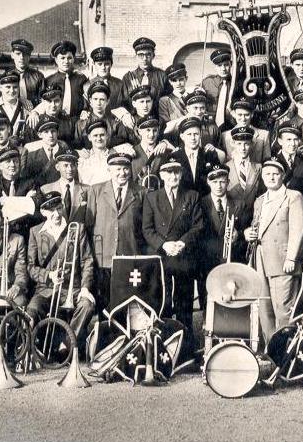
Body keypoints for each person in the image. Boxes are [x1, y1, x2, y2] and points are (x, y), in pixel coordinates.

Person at [141, 158, 205, 358]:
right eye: (168, 172)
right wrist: (164, 245)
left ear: (181, 174)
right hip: (161, 259)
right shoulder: (152, 197)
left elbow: (198, 226)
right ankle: (164, 353)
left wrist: (182, 243)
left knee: (184, 306)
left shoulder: (192, 196)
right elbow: (147, 229)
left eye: (176, 172)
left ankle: (186, 353)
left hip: (184, 259)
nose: (173, 176)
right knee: (163, 305)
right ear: (161, 175)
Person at [244, 159, 303, 339]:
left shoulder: (293, 197)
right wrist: (248, 232)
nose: (271, 177)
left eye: (275, 174)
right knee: (265, 308)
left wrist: (292, 258)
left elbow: (298, 229)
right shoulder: (260, 200)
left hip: (282, 261)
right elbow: (257, 227)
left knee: (284, 310)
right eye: (267, 174)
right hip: (260, 260)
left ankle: (287, 354)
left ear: (283, 176)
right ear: (262, 177)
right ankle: (272, 353)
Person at [26, 191, 95, 344]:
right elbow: (30, 267)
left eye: (58, 208)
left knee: (87, 305)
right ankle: (30, 352)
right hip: (45, 289)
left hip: (74, 288)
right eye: (51, 210)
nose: (56, 214)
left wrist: (85, 288)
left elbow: (87, 261)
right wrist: (48, 275)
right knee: (31, 311)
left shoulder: (77, 228)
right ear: (43, 212)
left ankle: (68, 345)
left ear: (63, 206)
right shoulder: (35, 232)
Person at [85, 152, 146, 313]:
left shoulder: (141, 192)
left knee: (127, 302)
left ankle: (125, 337)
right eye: (118, 169)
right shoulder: (96, 190)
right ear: (109, 170)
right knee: (104, 303)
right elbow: (89, 225)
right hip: (103, 256)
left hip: (129, 255)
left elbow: (144, 227)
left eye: (126, 168)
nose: (122, 173)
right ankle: (105, 336)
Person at [197, 164, 248, 307]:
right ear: (208, 182)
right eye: (214, 182)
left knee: (231, 297)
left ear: (228, 182)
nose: (218, 186)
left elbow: (246, 230)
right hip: (208, 259)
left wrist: (239, 234)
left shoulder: (239, 204)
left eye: (222, 181)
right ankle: (207, 325)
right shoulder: (200, 204)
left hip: (231, 258)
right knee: (209, 297)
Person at [169, 116, 221, 196]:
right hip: (183, 203)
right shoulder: (174, 157)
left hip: (205, 202)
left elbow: (217, 181)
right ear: (182, 136)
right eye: (189, 134)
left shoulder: (210, 155)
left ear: (200, 135)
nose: (193, 138)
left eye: (196, 134)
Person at [40, 148, 89, 225]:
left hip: (79, 235)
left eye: (72, 165)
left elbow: (90, 220)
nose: (69, 169)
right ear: (57, 167)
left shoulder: (87, 190)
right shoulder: (45, 190)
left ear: (77, 166)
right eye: (65, 165)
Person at [122, 37, 170, 114]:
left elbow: (168, 100)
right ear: (136, 56)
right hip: (135, 120)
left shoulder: (162, 76)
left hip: (158, 119)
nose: (144, 59)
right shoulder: (128, 77)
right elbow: (124, 102)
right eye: (141, 55)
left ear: (153, 56)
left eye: (148, 54)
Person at [20, 116, 69, 188]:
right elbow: (28, 180)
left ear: (58, 133)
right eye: (46, 132)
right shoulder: (32, 156)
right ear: (40, 135)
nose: (50, 135)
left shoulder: (66, 153)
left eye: (53, 131)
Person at [225, 125, 265, 211]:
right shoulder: (226, 168)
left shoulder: (259, 168)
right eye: (239, 144)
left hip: (253, 216)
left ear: (251, 144)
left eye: (246, 144)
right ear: (233, 144)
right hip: (232, 216)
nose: (242, 148)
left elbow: (262, 194)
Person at [45, 40, 88, 118]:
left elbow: (86, 100)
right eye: (62, 58)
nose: (66, 61)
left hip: (77, 120)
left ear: (73, 59)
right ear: (56, 60)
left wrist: (85, 110)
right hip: (56, 121)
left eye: (69, 58)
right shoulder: (49, 80)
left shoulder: (81, 79)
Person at [220, 99, 271, 163]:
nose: (243, 119)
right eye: (240, 115)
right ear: (234, 114)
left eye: (246, 115)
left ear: (252, 114)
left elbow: (267, 162)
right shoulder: (225, 136)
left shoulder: (263, 135)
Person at [274, 123, 303, 198]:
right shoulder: (274, 162)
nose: (293, 144)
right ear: (280, 141)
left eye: (295, 140)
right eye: (289, 140)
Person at [200, 48, 234, 129]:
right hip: (210, 126)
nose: (223, 69)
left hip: (231, 125)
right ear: (215, 67)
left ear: (231, 64)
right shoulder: (207, 82)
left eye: (226, 65)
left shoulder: (236, 83)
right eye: (219, 65)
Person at [85, 46, 126, 112]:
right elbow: (85, 109)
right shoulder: (87, 85)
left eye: (106, 64)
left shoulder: (120, 84)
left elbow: (126, 105)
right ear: (94, 64)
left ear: (111, 64)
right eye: (99, 64)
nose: (103, 67)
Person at [77, 120, 116, 187]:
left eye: (102, 135)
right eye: (95, 135)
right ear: (89, 137)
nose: (99, 138)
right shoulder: (83, 159)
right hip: (89, 195)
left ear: (107, 135)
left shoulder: (114, 157)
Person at [130, 116, 165, 189]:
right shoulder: (132, 152)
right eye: (148, 130)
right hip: (139, 198)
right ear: (139, 131)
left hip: (159, 198)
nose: (151, 134)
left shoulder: (164, 152)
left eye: (155, 130)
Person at [9, 39, 46, 107]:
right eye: (18, 54)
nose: (22, 57)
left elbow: (44, 100)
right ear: (12, 55)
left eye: (25, 54)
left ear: (29, 57)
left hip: (34, 113)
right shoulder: (6, 76)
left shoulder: (38, 76)